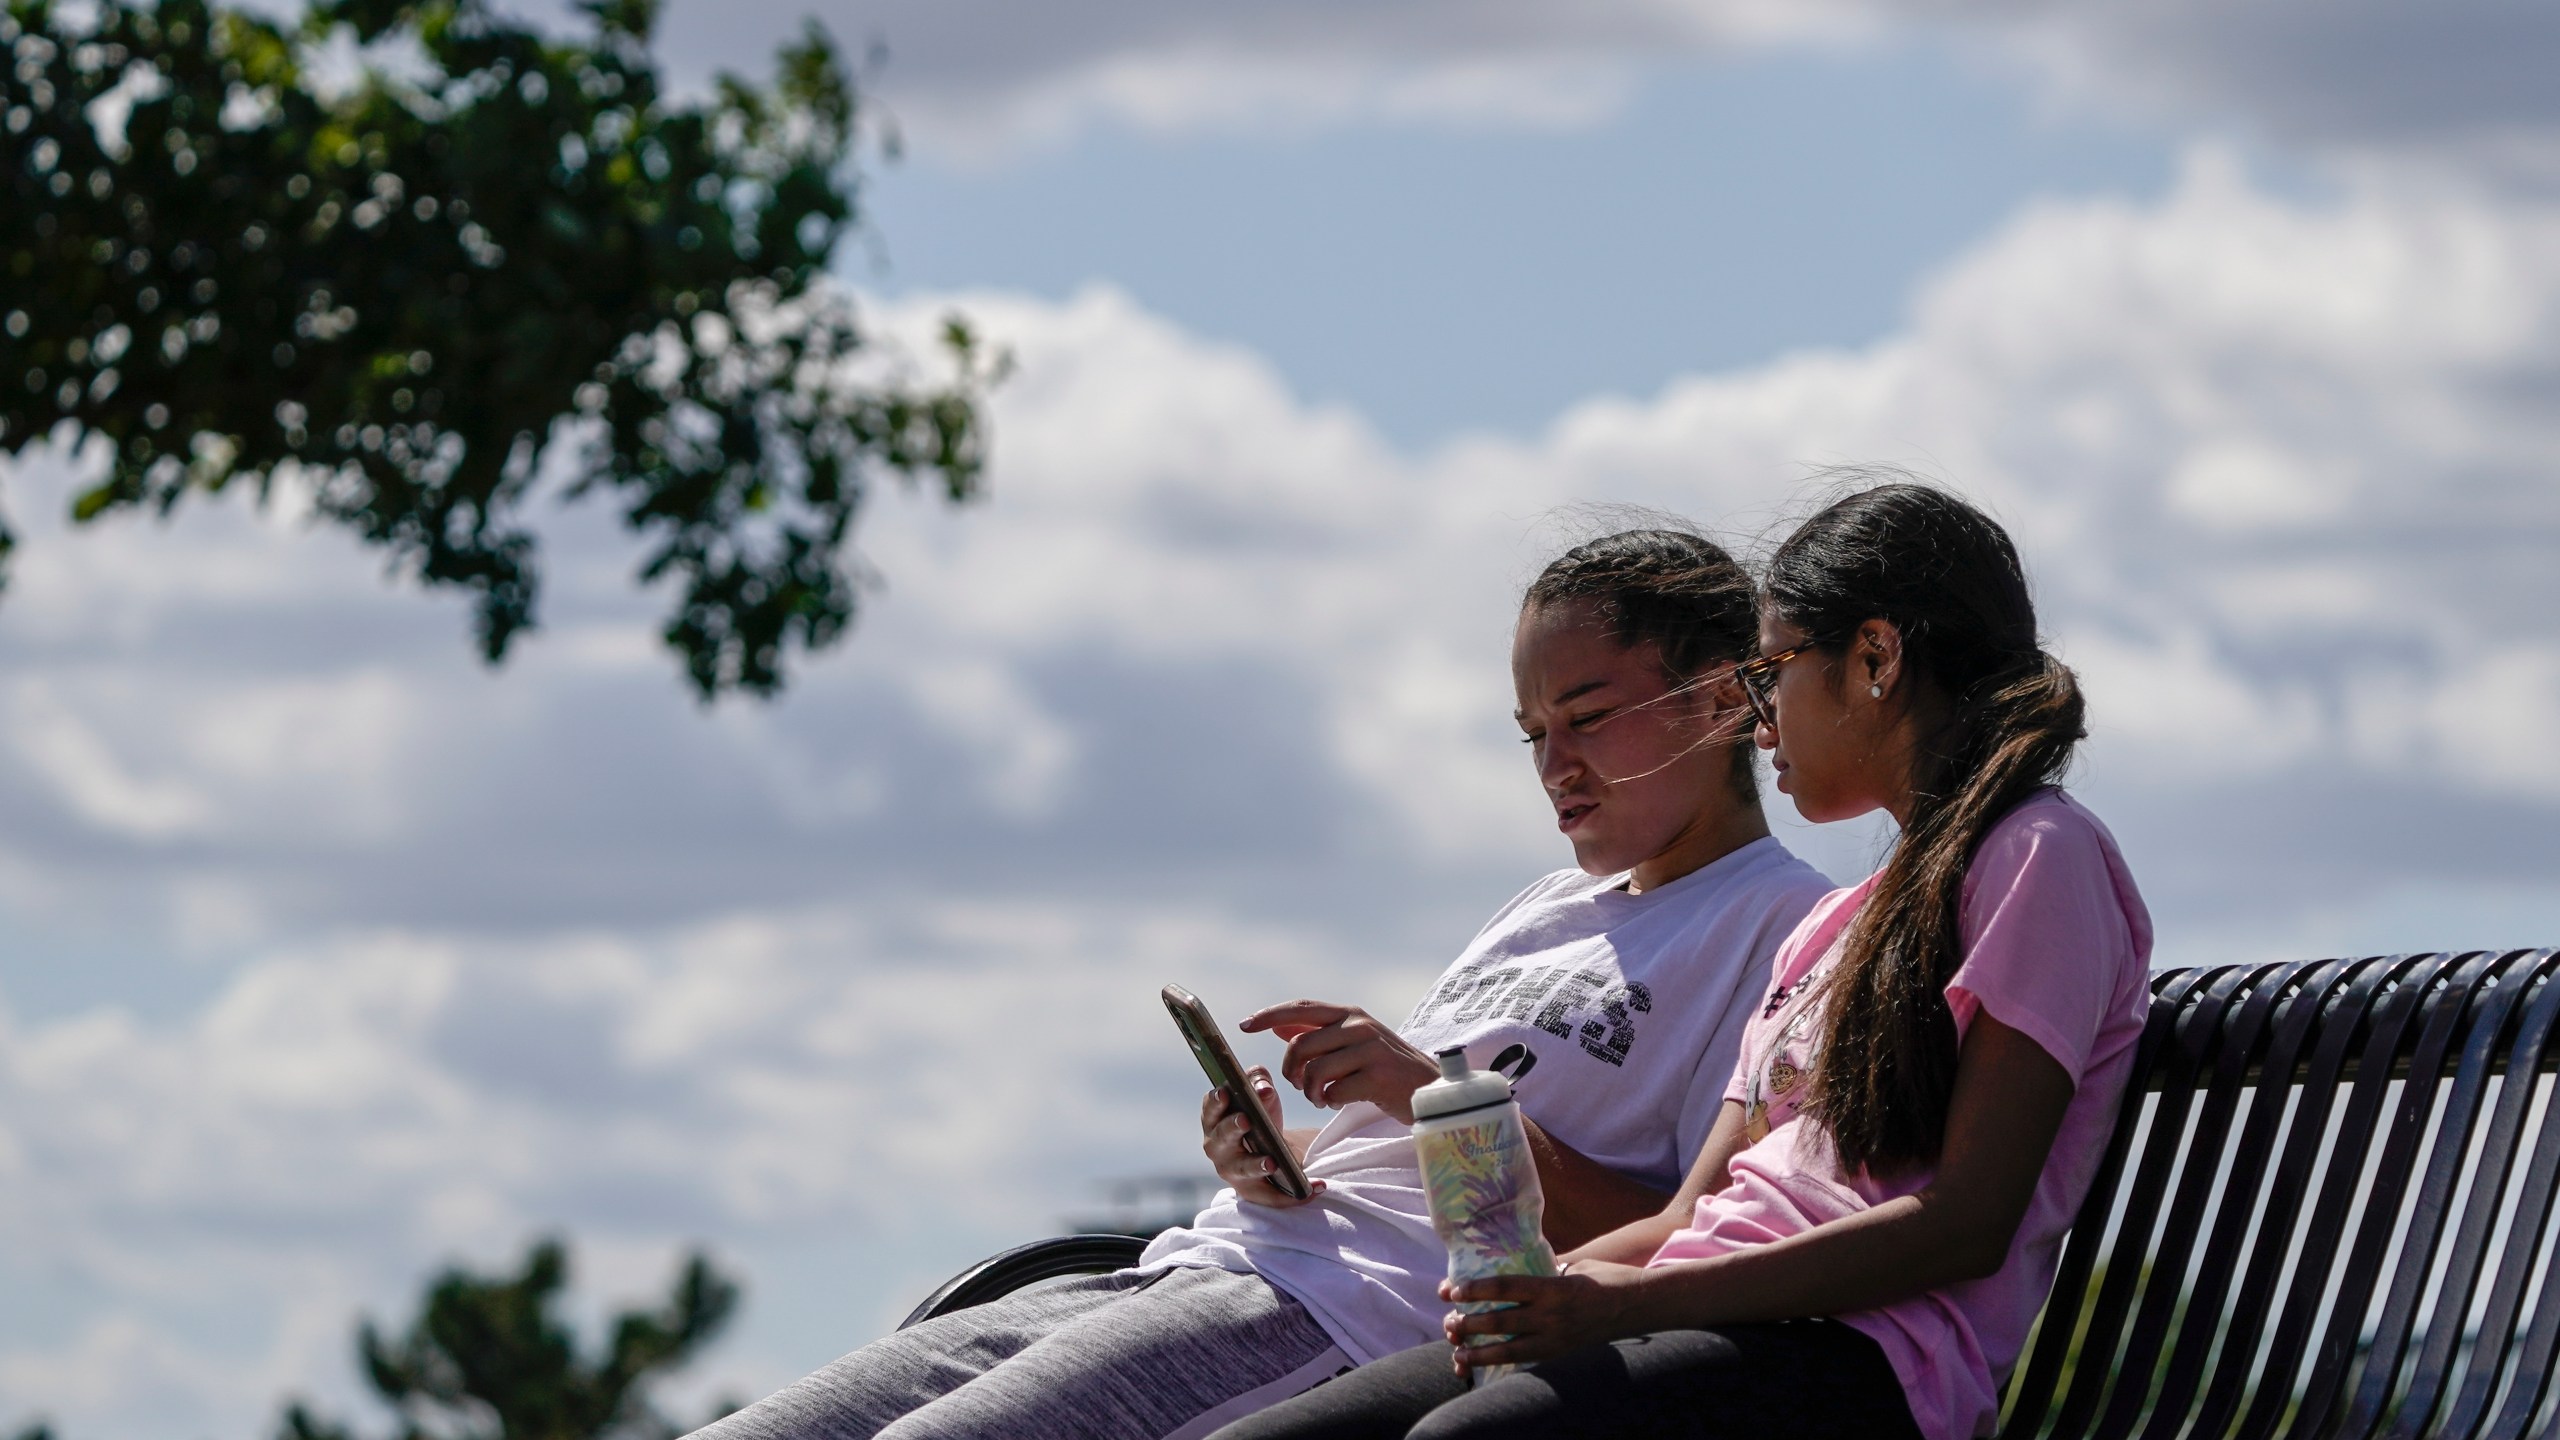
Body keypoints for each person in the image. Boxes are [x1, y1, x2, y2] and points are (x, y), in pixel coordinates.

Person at [688, 529, 1834, 1440]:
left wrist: (1416, 1090)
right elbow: (1385, 1156)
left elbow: (1681, 1234)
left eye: (1585, 719)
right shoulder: (1540, 909)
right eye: (1531, 732)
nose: (1553, 767)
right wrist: (1271, 1159)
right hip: (1204, 1261)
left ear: (1724, 702)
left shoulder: (1779, 927)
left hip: (1346, 1317)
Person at [1212, 482, 2153, 1440]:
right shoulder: (1832, 929)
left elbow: (1967, 1221)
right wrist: (1548, 1288)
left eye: (1773, 671)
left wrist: (1629, 1307)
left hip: (1862, 1357)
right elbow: (1694, 1212)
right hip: (1695, 1319)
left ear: (1874, 658)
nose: (1758, 717)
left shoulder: (2039, 854)